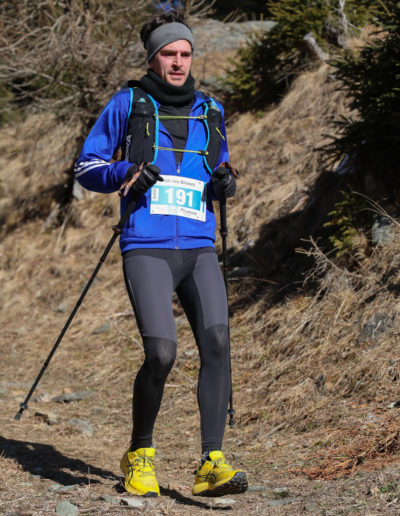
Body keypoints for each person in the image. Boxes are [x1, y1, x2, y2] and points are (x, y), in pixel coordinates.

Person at [74, 9, 248, 498]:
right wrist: (125, 172)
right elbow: (86, 167)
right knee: (161, 353)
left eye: (185, 54)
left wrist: (225, 183)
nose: (178, 62)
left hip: (199, 247)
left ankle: (212, 462)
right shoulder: (127, 103)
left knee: (217, 343)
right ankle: (140, 454)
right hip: (146, 247)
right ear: (153, 58)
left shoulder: (211, 110)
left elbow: (221, 166)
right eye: (169, 54)